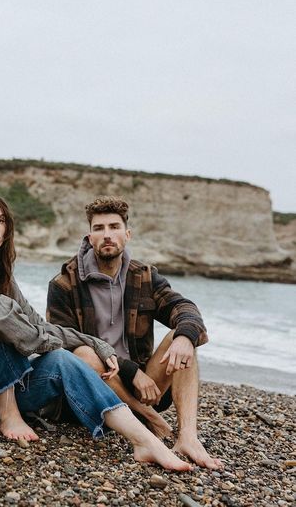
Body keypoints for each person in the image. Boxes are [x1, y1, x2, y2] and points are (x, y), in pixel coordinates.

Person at [0, 190, 193, 471]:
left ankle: (144, 440)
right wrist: (45, 339)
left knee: (63, 359)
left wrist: (95, 343)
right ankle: (9, 413)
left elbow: (39, 325)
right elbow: (6, 324)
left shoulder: (1, 275)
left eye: (0, 220)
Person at [47, 196, 222, 469]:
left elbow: (184, 307)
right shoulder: (64, 283)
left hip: (144, 385)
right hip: (96, 386)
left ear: (127, 234)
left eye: (114, 227)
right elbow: (63, 341)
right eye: (99, 228)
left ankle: (188, 437)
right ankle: (148, 417)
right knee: (82, 353)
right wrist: (130, 371)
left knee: (181, 337)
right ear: (89, 236)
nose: (107, 235)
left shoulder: (145, 276)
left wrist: (186, 336)